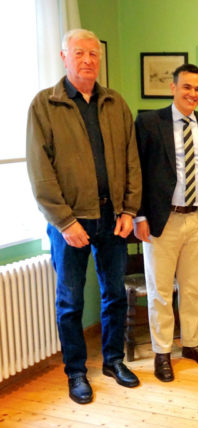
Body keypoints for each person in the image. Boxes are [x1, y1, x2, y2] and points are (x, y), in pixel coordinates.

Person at [26, 29, 142, 404]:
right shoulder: (44, 106)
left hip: (113, 218)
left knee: (114, 296)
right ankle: (76, 372)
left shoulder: (115, 103)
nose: (88, 60)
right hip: (70, 223)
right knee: (71, 302)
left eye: (93, 53)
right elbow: (40, 172)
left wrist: (129, 209)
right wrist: (64, 222)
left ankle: (113, 361)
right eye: (79, 53)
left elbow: (131, 161)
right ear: (64, 57)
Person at [134, 64, 198, 382]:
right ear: (173, 88)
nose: (193, 94)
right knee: (160, 291)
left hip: (197, 218)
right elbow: (137, 171)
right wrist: (140, 215)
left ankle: (191, 345)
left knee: (192, 289)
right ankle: (161, 352)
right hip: (162, 220)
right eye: (187, 87)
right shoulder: (148, 122)